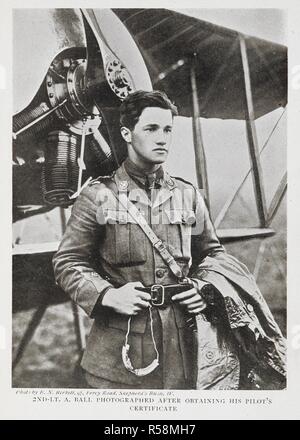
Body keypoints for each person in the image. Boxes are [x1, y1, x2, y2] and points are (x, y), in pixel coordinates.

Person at [53, 90, 286, 390]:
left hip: (186, 348)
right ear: (126, 133)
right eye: (151, 129)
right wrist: (107, 295)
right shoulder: (98, 195)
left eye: (167, 130)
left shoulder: (187, 195)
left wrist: (203, 289)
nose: (162, 138)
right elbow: (68, 261)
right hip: (119, 357)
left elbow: (213, 255)